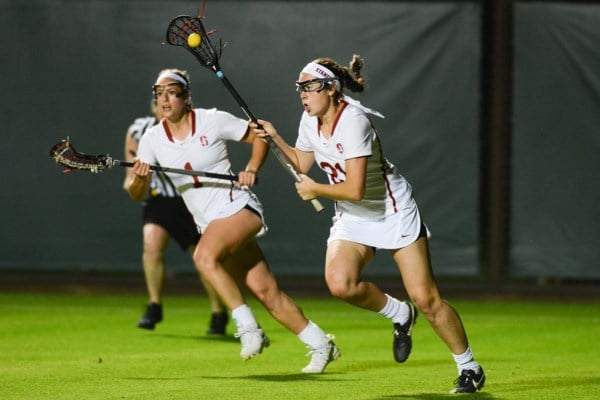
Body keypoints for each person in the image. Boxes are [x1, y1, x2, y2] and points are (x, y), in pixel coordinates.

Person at [251, 55, 485, 393]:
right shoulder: (309, 119)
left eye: (309, 87)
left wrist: (315, 188)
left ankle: (469, 368)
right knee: (340, 283)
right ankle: (399, 314)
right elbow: (302, 161)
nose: (302, 94)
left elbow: (355, 188)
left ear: (331, 88)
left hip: (391, 210)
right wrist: (274, 138)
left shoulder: (353, 122)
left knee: (427, 299)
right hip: (352, 215)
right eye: (299, 88)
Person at [127, 68, 339, 374]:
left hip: (238, 207)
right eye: (159, 93)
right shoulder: (152, 139)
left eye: (171, 92)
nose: (164, 99)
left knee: (204, 256)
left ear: (187, 97)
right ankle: (322, 344)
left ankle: (249, 328)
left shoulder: (212, 119)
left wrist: (252, 167)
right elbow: (137, 193)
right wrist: (139, 179)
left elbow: (259, 137)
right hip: (209, 223)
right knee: (267, 292)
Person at [123, 99, 228, 334]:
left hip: (189, 198)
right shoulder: (141, 131)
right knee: (151, 244)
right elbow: (131, 176)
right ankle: (154, 305)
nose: (164, 106)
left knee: (202, 257)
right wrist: (134, 181)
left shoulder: (193, 127)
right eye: (159, 100)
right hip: (158, 198)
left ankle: (218, 310)